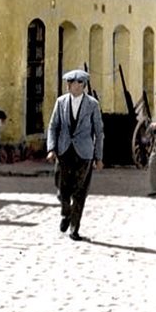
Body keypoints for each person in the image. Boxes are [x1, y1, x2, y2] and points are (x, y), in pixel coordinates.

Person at [46, 69, 104, 241]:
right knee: (62, 188)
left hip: (84, 153)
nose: (71, 86)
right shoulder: (61, 102)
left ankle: (74, 228)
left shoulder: (92, 105)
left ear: (82, 85)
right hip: (64, 151)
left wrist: (98, 157)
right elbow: (53, 126)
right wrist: (51, 148)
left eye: (75, 83)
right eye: (69, 83)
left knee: (80, 191)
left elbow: (99, 132)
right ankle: (66, 212)